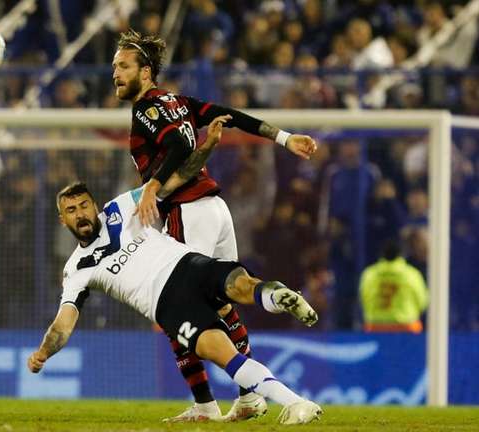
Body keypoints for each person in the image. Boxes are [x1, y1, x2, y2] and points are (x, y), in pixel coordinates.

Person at [111, 28, 318, 421]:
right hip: (217, 210)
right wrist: (284, 137)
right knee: (222, 303)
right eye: (114, 67)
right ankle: (249, 396)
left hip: (187, 211)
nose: (116, 74)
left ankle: (205, 405)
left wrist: (154, 184)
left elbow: (178, 146)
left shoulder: (147, 109)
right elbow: (231, 116)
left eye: (123, 66)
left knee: (173, 310)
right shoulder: (179, 101)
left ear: (146, 71)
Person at [27, 181, 323, 425]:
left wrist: (199, 151)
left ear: (95, 206)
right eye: (71, 210)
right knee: (226, 347)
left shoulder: (120, 206)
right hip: (169, 301)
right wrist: (43, 352)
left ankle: (293, 394)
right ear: (62, 219)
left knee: (240, 286)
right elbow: (63, 324)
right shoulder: (76, 268)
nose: (80, 214)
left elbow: (168, 181)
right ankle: (295, 393)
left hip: (185, 264)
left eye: (84, 206)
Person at [359, 239, 428, 333]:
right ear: (401, 255)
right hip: (407, 328)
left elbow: (363, 299)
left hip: (375, 327)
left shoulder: (369, 274)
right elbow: (422, 302)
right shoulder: (411, 274)